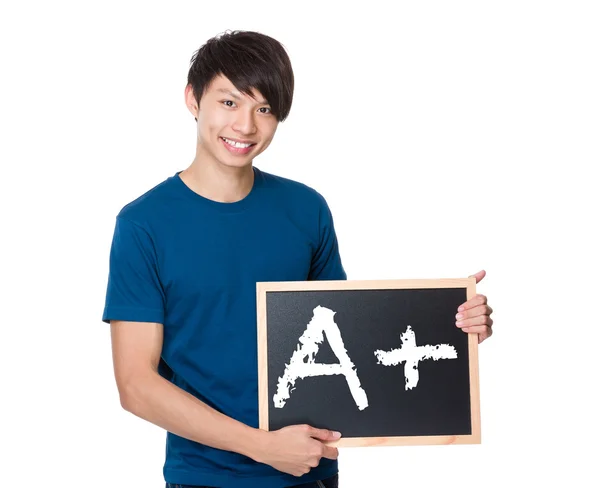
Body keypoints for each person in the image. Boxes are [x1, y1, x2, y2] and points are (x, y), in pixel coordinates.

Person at [102, 30, 494, 488]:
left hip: (313, 473)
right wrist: (259, 445)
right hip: (209, 478)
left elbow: (347, 344)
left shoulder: (306, 209)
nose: (246, 126)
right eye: (229, 102)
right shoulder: (144, 224)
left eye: (264, 108)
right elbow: (136, 385)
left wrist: (451, 329)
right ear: (193, 99)